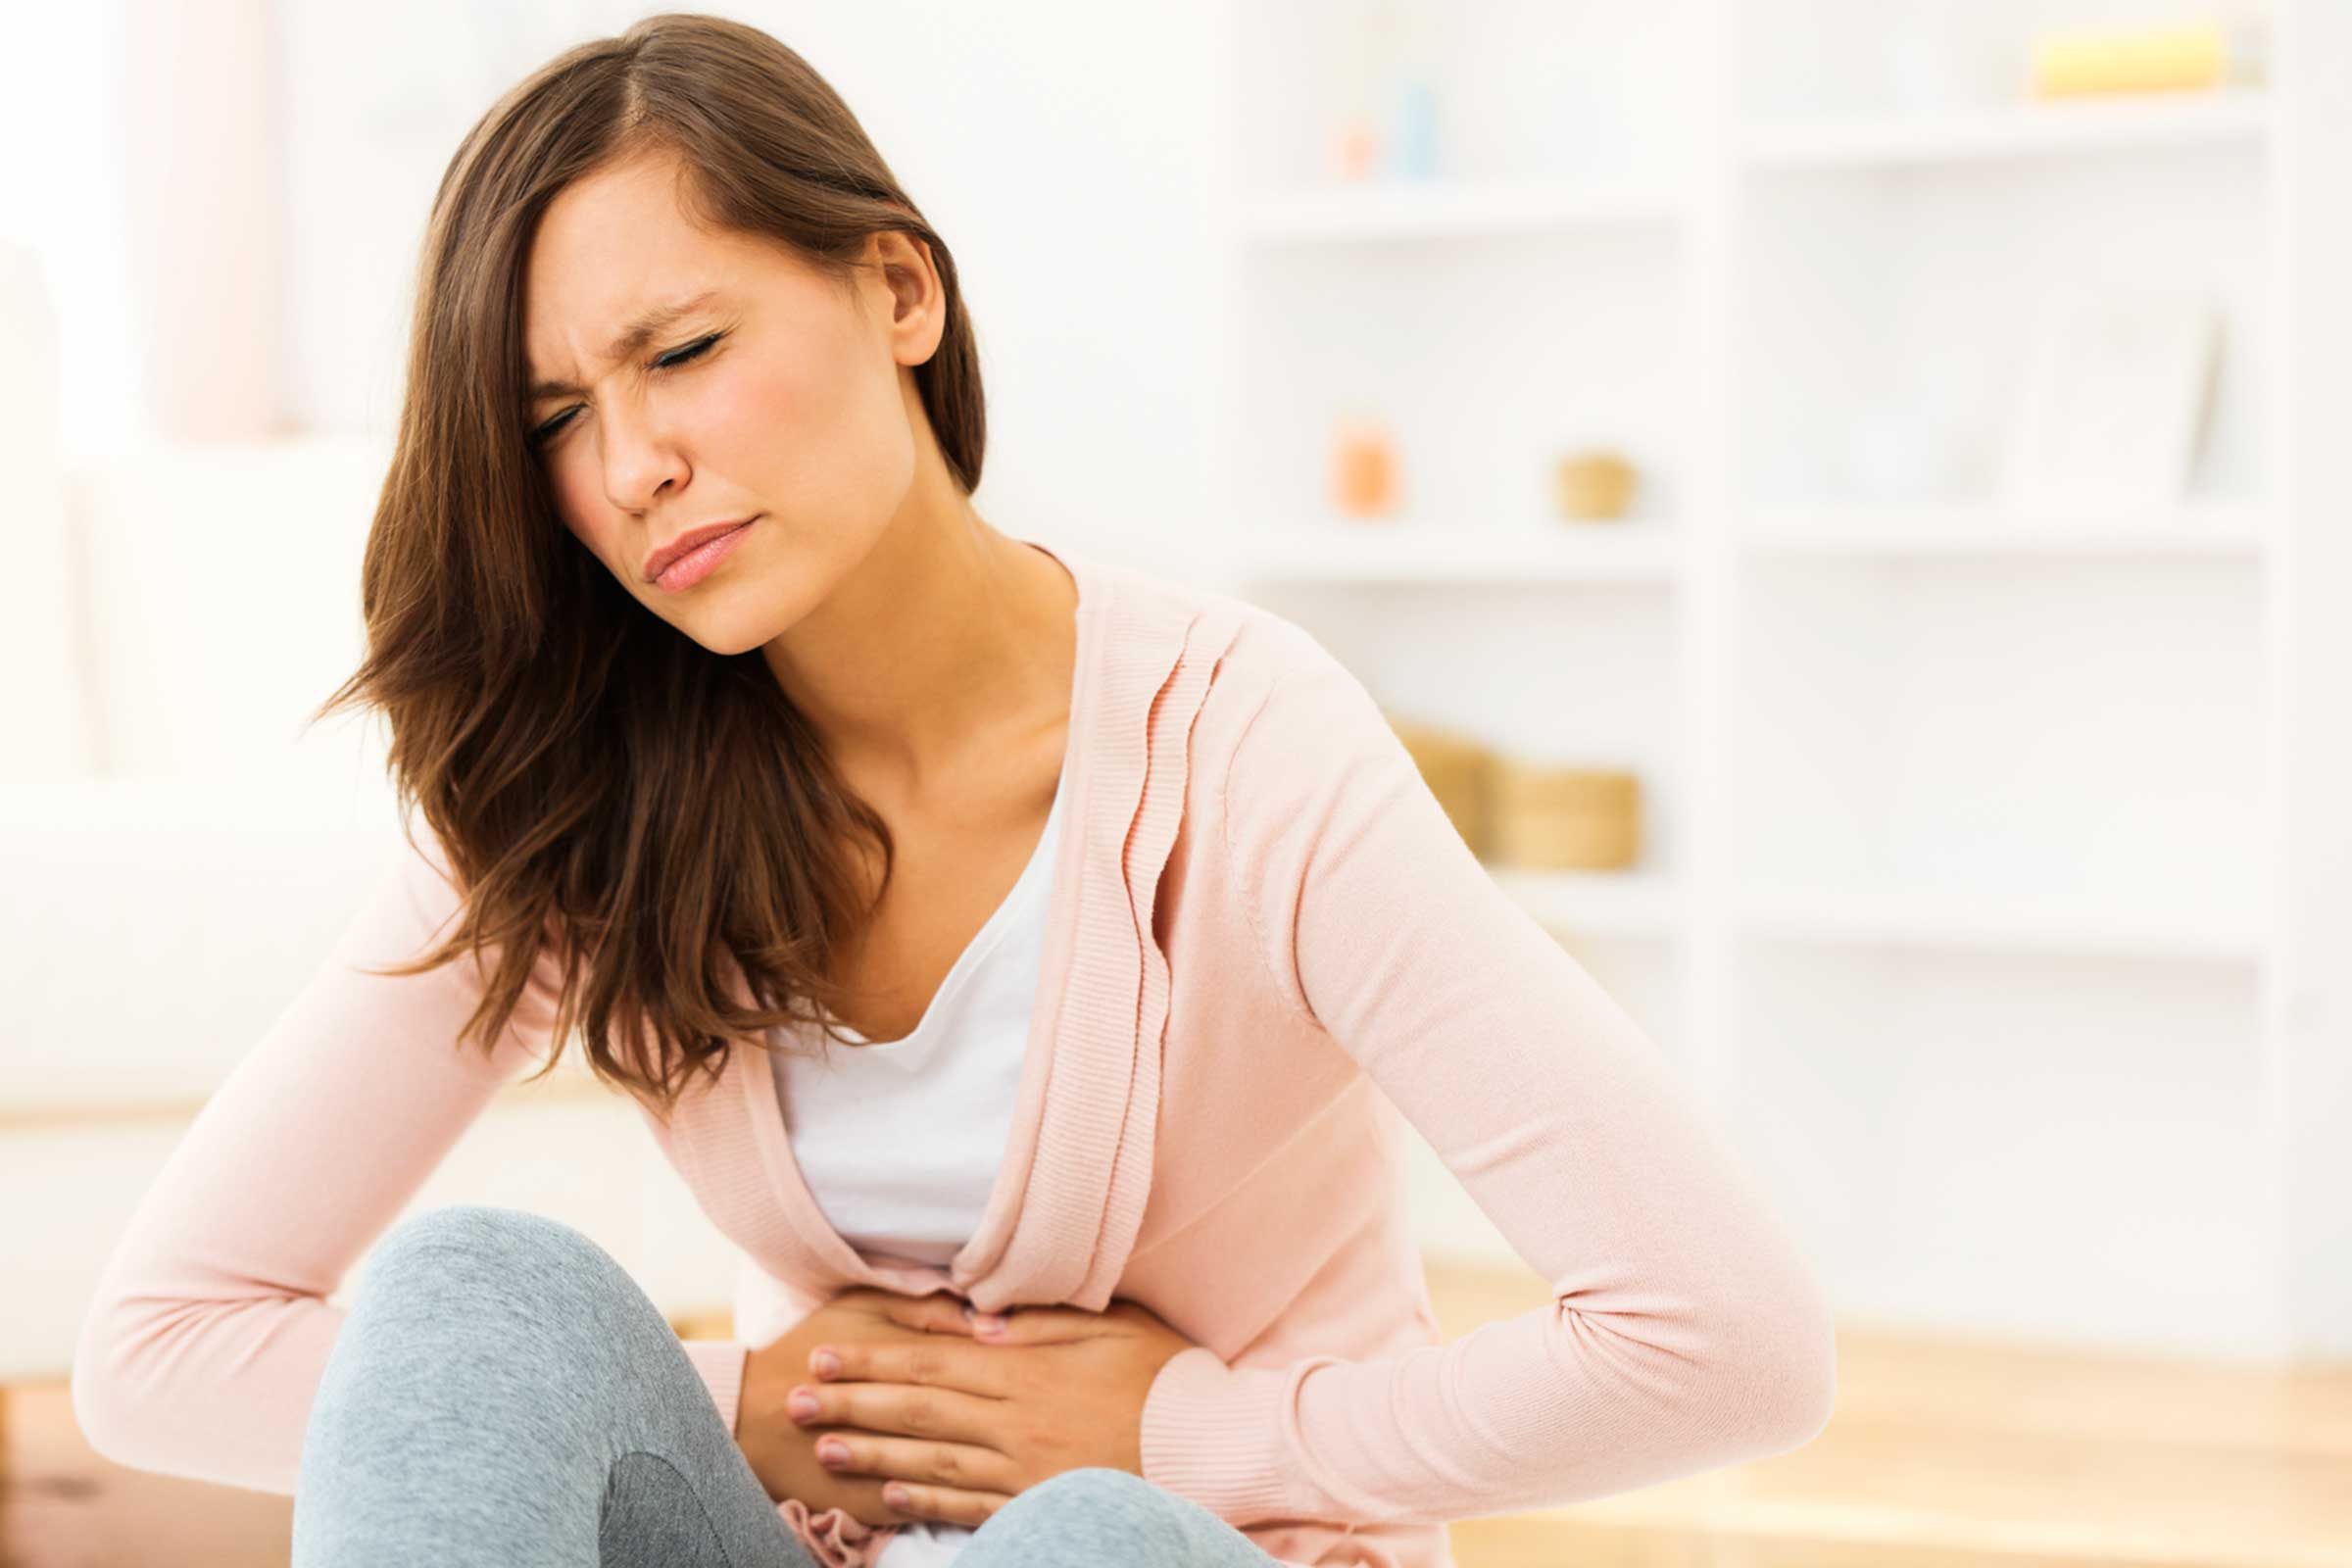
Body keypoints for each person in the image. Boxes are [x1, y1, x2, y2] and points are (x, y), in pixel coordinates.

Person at [69, 13, 1838, 1568]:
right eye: (550, 421)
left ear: (899, 291)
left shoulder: (1241, 746)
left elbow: (1726, 1336)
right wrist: (757, 1403)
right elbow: (158, 1344)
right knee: (475, 1298)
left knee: (1082, 1542)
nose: (631, 466)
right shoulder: (583, 792)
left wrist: (1194, 1440)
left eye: (681, 352)